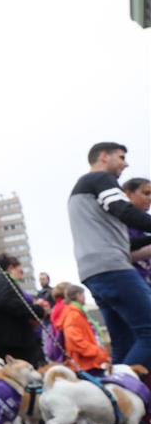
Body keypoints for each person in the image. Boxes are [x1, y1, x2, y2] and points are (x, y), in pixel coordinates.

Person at [68, 143, 151, 373]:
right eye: (121, 157)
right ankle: (120, 390)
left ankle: (115, 401)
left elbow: (124, 241)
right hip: (112, 268)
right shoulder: (100, 180)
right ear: (104, 157)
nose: (125, 163)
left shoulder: (83, 191)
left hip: (95, 271)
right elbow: (123, 210)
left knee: (124, 342)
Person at [0, 254, 46, 368]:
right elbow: (8, 301)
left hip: (10, 340)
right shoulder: (2, 281)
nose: (22, 272)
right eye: (19, 269)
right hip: (15, 341)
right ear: (11, 268)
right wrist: (37, 310)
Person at [59, 285, 110, 376]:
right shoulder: (73, 314)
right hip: (86, 365)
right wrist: (96, 352)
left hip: (87, 363)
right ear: (78, 295)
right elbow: (74, 339)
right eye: (83, 295)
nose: (85, 297)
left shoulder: (76, 312)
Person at [123, 177, 151, 286]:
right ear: (128, 194)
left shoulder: (146, 224)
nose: (150, 198)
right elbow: (118, 255)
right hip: (128, 282)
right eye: (146, 193)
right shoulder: (118, 222)